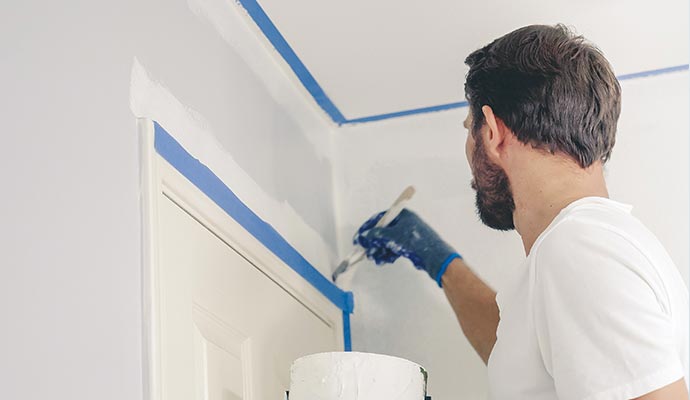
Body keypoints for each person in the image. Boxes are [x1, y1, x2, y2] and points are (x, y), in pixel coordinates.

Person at [353, 24, 689, 400]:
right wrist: (436, 258)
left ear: (493, 133)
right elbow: (516, 354)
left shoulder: (578, 250)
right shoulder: (589, 248)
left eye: (470, 129)